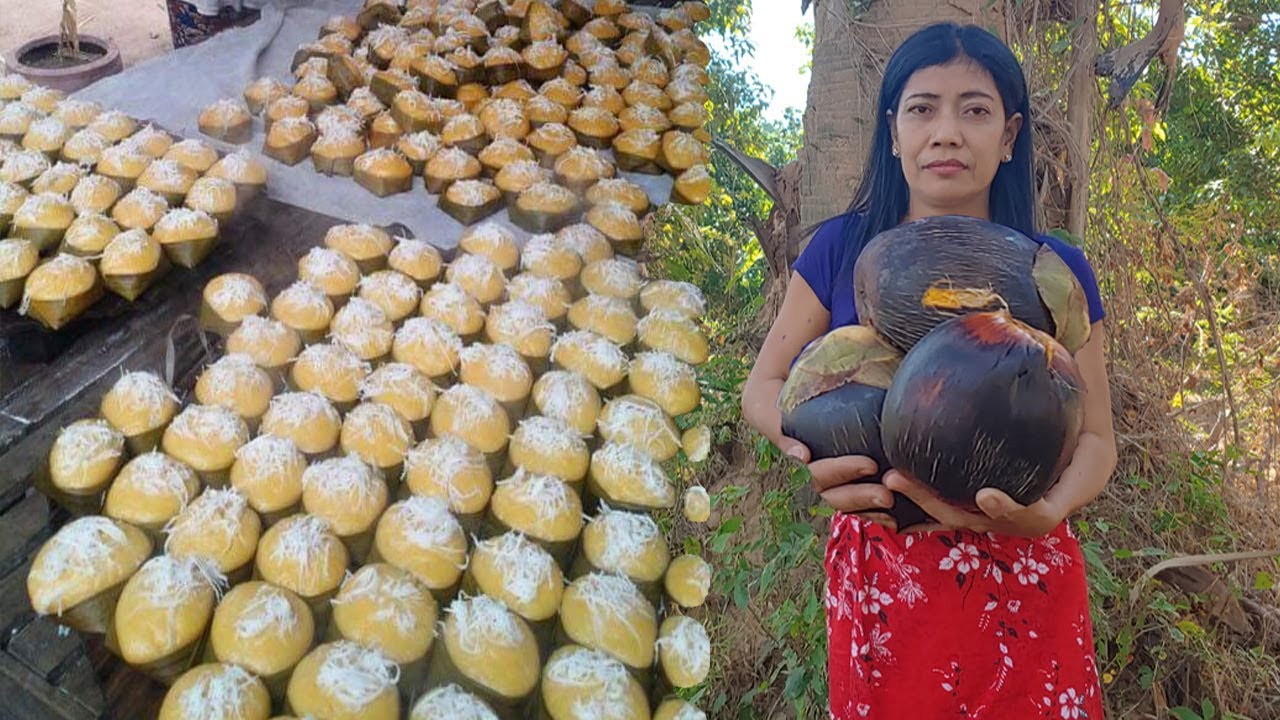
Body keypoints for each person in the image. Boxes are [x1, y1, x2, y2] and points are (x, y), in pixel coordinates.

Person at [740, 22, 1117, 719]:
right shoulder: (839, 249)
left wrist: (1050, 512)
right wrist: (803, 451)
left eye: (974, 110)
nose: (947, 132)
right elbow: (762, 388)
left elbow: (1097, 439)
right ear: (893, 132)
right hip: (885, 575)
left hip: (1023, 569)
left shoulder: (1055, 271)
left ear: (1008, 138)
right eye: (922, 109)